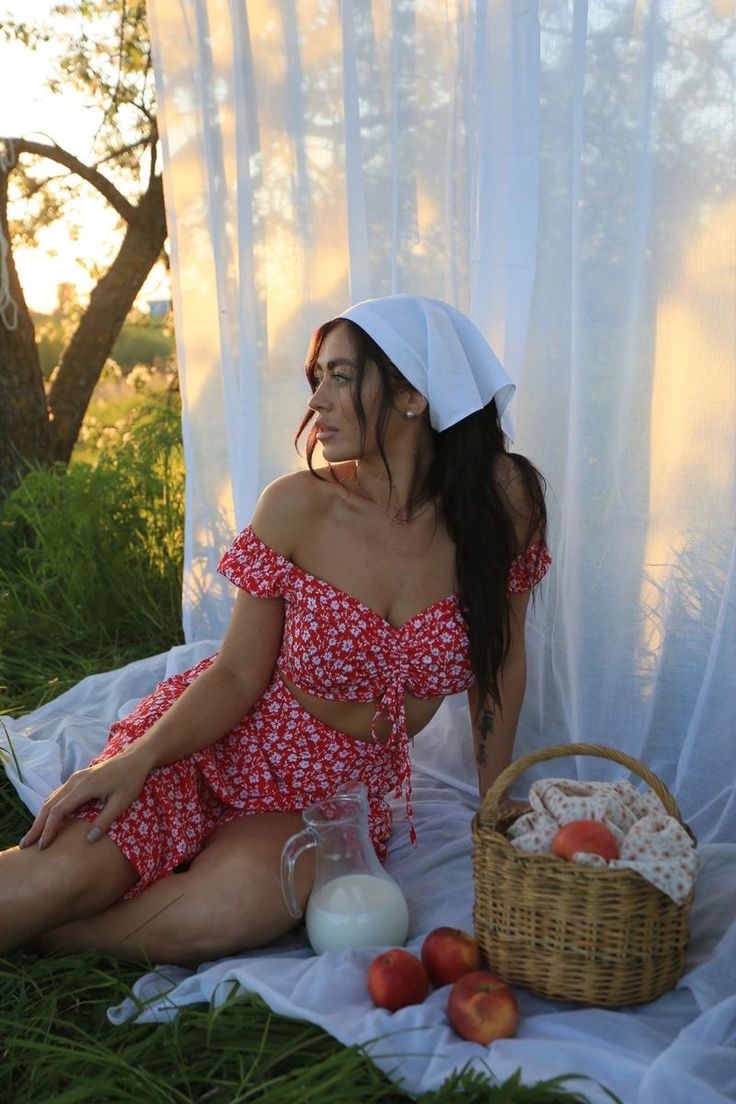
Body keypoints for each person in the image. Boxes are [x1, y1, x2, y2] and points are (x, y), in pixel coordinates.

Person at [0, 294, 549, 966]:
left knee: (237, 909)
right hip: (215, 747)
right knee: (48, 881)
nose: (315, 401)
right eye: (315, 378)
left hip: (331, 800)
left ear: (412, 395)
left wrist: (493, 803)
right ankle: (59, 905)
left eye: (340, 377)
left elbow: (498, 665)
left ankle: (60, 938)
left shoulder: (503, 507)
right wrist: (138, 758)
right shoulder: (297, 508)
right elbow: (234, 675)